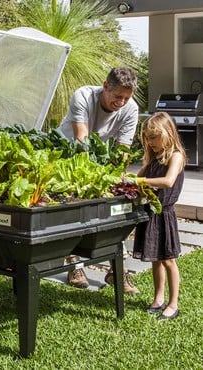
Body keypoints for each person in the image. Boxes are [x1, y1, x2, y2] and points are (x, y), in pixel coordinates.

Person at [58, 66, 139, 294]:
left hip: (99, 162)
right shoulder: (83, 96)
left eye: (126, 98)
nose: (121, 102)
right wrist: (94, 179)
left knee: (113, 215)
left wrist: (115, 179)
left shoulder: (130, 109)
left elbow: (122, 150)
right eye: (117, 97)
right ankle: (75, 266)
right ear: (105, 86)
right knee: (73, 214)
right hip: (68, 159)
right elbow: (82, 141)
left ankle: (117, 271)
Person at [132, 111, 186, 320]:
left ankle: (173, 304)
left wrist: (139, 182)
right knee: (156, 258)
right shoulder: (153, 158)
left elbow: (168, 182)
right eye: (148, 138)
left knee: (169, 260)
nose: (151, 142)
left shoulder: (176, 156)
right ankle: (158, 298)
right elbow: (137, 177)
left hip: (165, 214)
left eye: (154, 137)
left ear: (168, 134)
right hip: (151, 212)